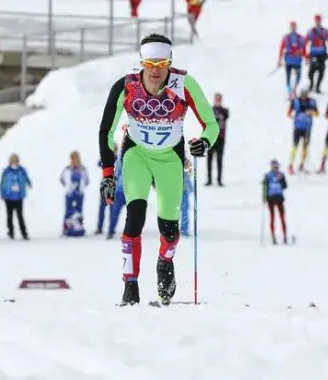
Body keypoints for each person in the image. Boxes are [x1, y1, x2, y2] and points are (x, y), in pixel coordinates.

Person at [97, 33, 219, 305]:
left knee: (169, 229)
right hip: (136, 155)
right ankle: (130, 284)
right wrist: (107, 175)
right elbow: (106, 130)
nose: (155, 70)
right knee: (135, 217)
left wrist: (205, 143)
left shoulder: (184, 84)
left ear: (169, 62)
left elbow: (212, 125)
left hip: (169, 159)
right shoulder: (126, 87)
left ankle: (165, 261)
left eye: (162, 63)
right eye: (150, 63)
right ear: (141, 62)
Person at [0, 153, 32, 240]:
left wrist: (29, 183)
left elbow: (26, 178)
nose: (14, 163)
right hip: (9, 197)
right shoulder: (6, 171)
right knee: (9, 215)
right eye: (12, 161)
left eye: (15, 161)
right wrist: (2, 193)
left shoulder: (21, 170)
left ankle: (24, 232)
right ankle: (11, 231)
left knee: (20, 215)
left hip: (18, 196)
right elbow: (2, 183)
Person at [287, 88, 318, 174]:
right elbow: (289, 113)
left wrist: (311, 112)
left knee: (305, 147)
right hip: (298, 127)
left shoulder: (312, 102)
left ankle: (302, 164)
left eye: (305, 95)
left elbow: (317, 113)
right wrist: (296, 117)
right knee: (295, 146)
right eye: (302, 94)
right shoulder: (295, 101)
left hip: (307, 127)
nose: (304, 96)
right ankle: (291, 164)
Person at [60, 150, 89, 237]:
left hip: (79, 194)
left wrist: (81, 188)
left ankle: (79, 226)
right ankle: (66, 227)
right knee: (68, 211)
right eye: (72, 159)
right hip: (70, 194)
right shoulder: (67, 169)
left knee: (79, 210)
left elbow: (87, 180)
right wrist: (68, 187)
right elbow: (61, 179)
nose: (73, 160)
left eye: (75, 158)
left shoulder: (83, 169)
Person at [304, 14, 328, 93]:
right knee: (311, 71)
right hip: (313, 53)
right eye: (317, 21)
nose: (318, 22)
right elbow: (305, 42)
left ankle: (317, 87)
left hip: (322, 54)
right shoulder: (311, 31)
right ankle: (311, 85)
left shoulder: (324, 31)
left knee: (321, 71)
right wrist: (306, 54)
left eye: (319, 21)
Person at [277, 21, 306, 99]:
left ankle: (294, 89)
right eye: (292, 27)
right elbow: (281, 49)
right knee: (288, 78)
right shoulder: (286, 38)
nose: (293, 28)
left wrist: (305, 57)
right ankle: (290, 92)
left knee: (298, 77)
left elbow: (304, 49)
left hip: (297, 61)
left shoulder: (300, 38)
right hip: (289, 61)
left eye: (294, 27)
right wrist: (279, 60)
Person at [262, 159, 288, 245]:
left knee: (282, 218)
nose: (275, 168)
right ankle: (273, 237)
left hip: (279, 198)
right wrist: (264, 198)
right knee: (272, 217)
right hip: (271, 199)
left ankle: (284, 236)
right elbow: (264, 188)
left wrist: (281, 180)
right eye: (274, 167)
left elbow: (285, 186)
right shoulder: (268, 176)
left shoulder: (281, 175)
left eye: (277, 167)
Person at [206, 92, 229, 186]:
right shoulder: (210, 110)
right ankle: (209, 180)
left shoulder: (224, 110)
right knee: (209, 160)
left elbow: (226, 116)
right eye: (217, 99)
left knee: (219, 159)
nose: (218, 100)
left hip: (220, 138)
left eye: (219, 99)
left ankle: (219, 180)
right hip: (211, 137)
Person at [95, 144, 118, 235]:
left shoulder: (118, 159)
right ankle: (100, 227)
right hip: (105, 185)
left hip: (113, 185)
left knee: (112, 208)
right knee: (102, 207)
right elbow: (99, 163)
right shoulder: (106, 157)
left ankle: (110, 228)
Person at [107, 143, 126, 240]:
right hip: (121, 190)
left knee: (130, 213)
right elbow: (116, 174)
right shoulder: (120, 159)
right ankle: (111, 231)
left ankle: (129, 233)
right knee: (115, 212)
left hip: (129, 191)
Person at [180, 158, 193, 237]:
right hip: (172, 189)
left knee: (184, 209)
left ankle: (184, 229)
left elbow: (189, 172)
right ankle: (171, 228)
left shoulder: (186, 161)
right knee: (172, 210)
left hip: (183, 189)